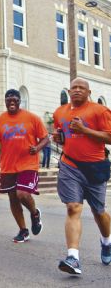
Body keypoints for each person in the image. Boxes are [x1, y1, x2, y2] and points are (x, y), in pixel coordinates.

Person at [53, 77, 111, 276]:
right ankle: (73, 258)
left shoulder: (99, 111)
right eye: (74, 88)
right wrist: (59, 138)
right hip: (70, 165)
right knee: (73, 207)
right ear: (69, 92)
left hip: (95, 167)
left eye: (81, 88)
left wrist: (84, 130)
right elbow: (63, 136)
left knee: (99, 212)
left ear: (89, 92)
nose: (77, 90)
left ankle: (106, 242)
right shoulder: (60, 112)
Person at [0, 89, 49, 243]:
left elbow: (45, 138)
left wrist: (37, 148)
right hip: (8, 166)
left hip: (28, 164)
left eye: (15, 99)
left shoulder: (32, 118)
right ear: (5, 101)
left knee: (22, 194)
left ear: (19, 101)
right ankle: (23, 230)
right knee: (13, 198)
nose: (12, 102)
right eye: (9, 100)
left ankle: (35, 214)